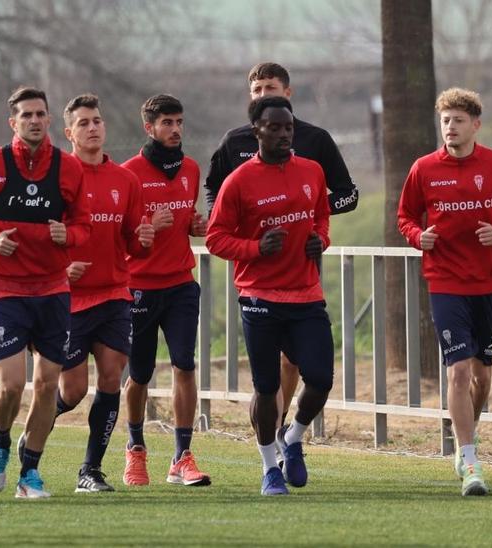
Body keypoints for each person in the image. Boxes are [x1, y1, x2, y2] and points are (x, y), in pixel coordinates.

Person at [204, 61, 358, 453]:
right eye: (256, 90)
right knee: (268, 378)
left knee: (308, 369)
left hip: (303, 275)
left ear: (288, 93)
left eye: (270, 87)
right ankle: (270, 452)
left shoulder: (315, 143)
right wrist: (250, 240)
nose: (263, 95)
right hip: (257, 280)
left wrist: (314, 232)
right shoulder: (234, 144)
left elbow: (345, 195)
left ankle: (288, 434)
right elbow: (216, 202)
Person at [396, 87, 492, 496]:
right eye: (445, 121)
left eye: (458, 120)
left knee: (482, 377)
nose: (450, 128)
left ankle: (465, 436)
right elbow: (405, 215)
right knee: (457, 371)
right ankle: (470, 457)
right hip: (444, 281)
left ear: (475, 124)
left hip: (488, 282)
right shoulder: (423, 168)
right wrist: (417, 235)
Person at [0, 86, 90, 499]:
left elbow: (84, 225)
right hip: (6, 289)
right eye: (26, 115)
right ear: (12, 122)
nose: (34, 121)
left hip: (52, 288)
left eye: (40, 114)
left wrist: (70, 234)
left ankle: (29, 473)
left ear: (49, 120)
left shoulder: (69, 168)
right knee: (11, 386)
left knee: (48, 385)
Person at [206, 95, 333, 496]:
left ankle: (293, 438)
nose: (283, 134)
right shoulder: (239, 181)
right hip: (260, 296)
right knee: (266, 388)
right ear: (256, 130)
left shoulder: (312, 171)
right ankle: (268, 468)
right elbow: (215, 238)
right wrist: (256, 248)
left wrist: (320, 241)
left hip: (306, 293)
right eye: (274, 127)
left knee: (321, 379)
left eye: (288, 128)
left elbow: (322, 218)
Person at [54, 93, 156, 492]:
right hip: (68, 299)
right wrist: (61, 270)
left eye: (97, 120)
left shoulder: (125, 180)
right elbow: (40, 237)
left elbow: (132, 241)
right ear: (69, 133)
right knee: (73, 390)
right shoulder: (58, 179)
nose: (93, 127)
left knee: (112, 377)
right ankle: (31, 438)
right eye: (83, 123)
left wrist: (144, 238)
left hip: (115, 293)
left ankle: (90, 471)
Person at [119, 94, 211, 487]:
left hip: (180, 285)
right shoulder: (128, 173)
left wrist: (194, 226)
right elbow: (119, 237)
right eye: (167, 123)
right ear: (149, 128)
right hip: (139, 287)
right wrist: (146, 227)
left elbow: (186, 216)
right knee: (138, 375)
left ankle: (182, 457)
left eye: (179, 122)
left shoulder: (191, 168)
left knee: (184, 366)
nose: (175, 130)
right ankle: (135, 450)